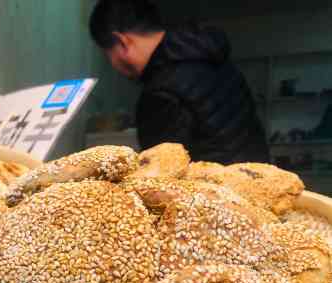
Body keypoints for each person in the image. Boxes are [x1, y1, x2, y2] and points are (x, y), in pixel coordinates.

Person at [89, 0, 270, 164]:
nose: (112, 64)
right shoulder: (213, 56)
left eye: (108, 55)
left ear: (123, 42)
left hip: (217, 195)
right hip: (259, 182)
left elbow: (161, 179)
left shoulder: (161, 92)